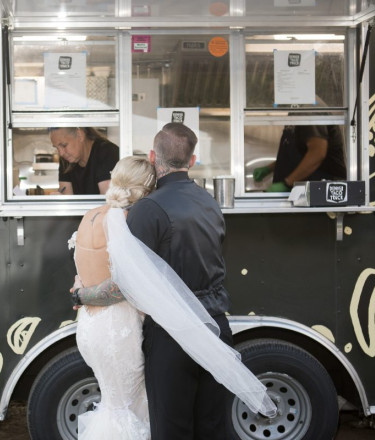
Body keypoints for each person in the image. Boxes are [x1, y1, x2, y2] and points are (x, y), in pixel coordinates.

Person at [72, 123, 275, 439]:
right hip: (215, 329)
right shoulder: (210, 202)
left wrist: (83, 295)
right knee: (211, 427)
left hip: (172, 337)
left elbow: (126, 284)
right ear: (192, 161)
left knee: (172, 429)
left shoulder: (147, 209)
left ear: (153, 157)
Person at [71, 156, 156, 440]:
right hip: (117, 329)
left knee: (115, 405)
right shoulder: (126, 222)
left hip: (88, 326)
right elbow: (125, 286)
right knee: (125, 410)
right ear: (146, 189)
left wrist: (81, 294)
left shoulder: (90, 215)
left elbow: (81, 273)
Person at [253, 123, 347, 192]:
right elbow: (296, 154)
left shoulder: (310, 110)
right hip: (296, 192)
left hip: (315, 193)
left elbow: (317, 153)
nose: (274, 99)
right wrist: (268, 169)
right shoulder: (295, 112)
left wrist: (287, 183)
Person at [49, 127, 119, 195]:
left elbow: (108, 201)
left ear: (80, 135)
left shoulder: (107, 152)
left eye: (64, 145)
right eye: (57, 148)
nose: (61, 153)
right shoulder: (66, 160)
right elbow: (67, 197)